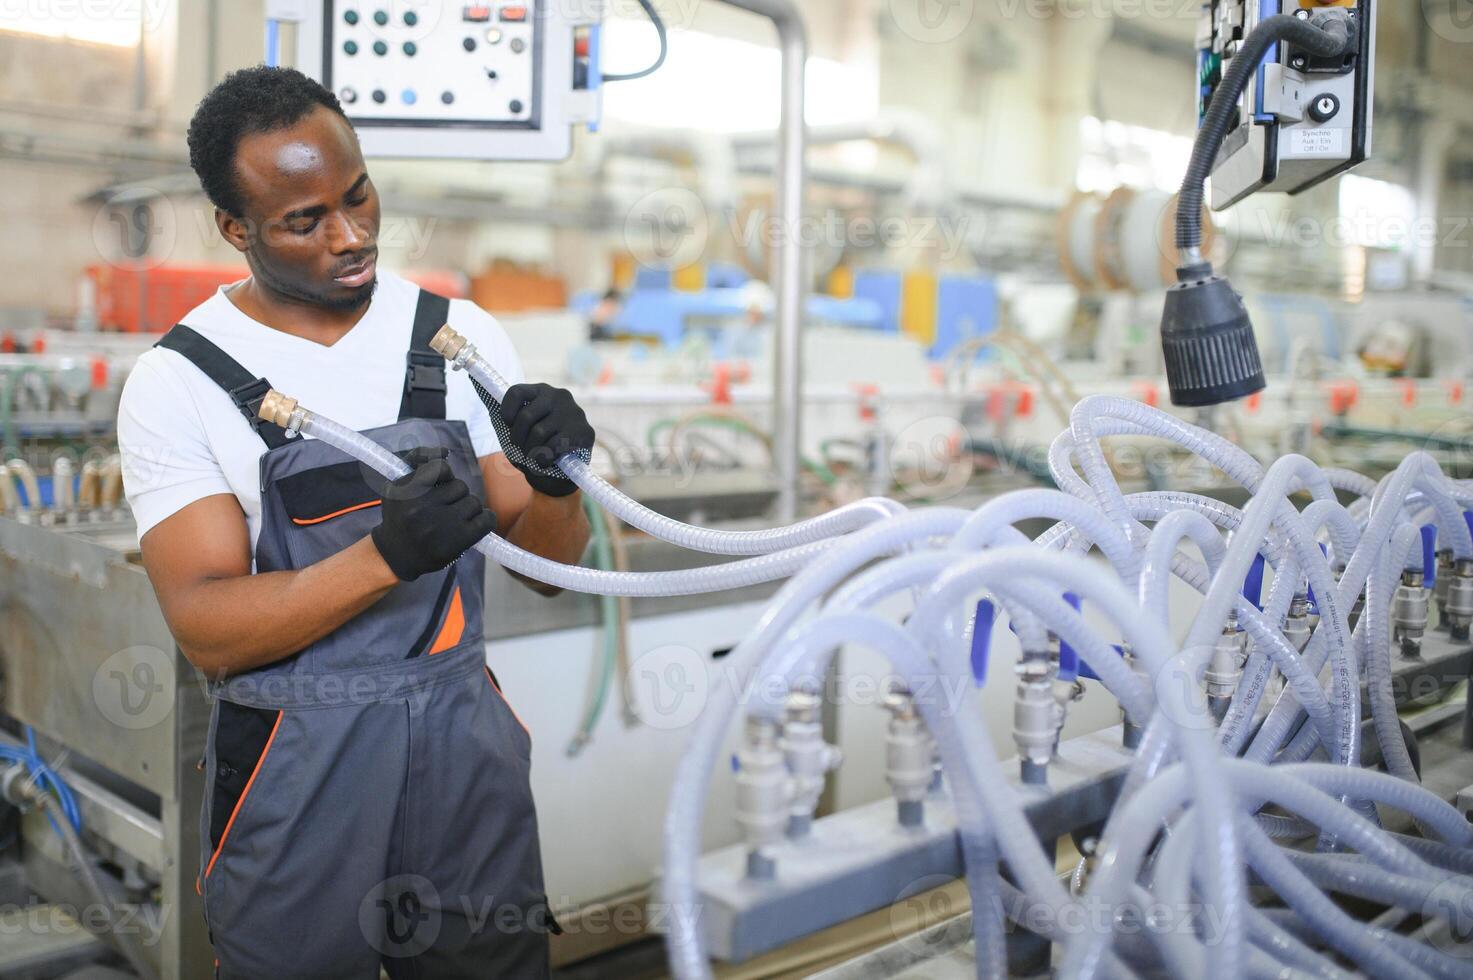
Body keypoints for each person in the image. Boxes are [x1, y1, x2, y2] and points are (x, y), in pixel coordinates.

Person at [117, 66, 592, 979]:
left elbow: (548, 569)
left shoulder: (459, 335)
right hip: (299, 776)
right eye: (305, 220)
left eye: (359, 195)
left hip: (463, 751)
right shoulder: (179, 382)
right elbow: (208, 628)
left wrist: (555, 484)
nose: (351, 235)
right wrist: (384, 557)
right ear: (234, 227)